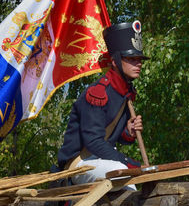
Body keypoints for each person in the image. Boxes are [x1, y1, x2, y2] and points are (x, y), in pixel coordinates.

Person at [57, 20, 149, 190]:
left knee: (130, 179)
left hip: (100, 160)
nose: (138, 63)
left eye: (139, 59)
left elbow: (113, 137)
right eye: (131, 58)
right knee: (123, 174)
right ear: (115, 61)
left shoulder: (124, 93)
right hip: (79, 163)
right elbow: (94, 142)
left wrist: (128, 132)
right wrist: (127, 162)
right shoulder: (97, 93)